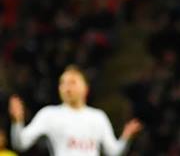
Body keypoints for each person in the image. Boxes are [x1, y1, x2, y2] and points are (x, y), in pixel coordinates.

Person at [8, 65, 142, 155]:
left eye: (72, 82)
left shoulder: (98, 117)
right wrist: (17, 122)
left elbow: (113, 152)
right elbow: (20, 144)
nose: (67, 87)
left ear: (85, 88)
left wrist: (126, 138)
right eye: (62, 83)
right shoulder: (49, 114)